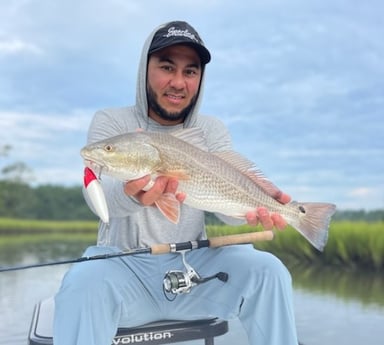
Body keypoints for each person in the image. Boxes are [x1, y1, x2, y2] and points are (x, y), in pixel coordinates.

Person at [54, 21, 298, 345]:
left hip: (195, 274)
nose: (178, 82)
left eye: (190, 71)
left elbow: (225, 204)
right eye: (167, 67)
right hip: (123, 270)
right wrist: (135, 195)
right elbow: (99, 198)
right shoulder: (112, 123)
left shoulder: (210, 131)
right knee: (83, 280)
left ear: (200, 78)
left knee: (269, 270)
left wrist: (254, 209)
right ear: (145, 69)